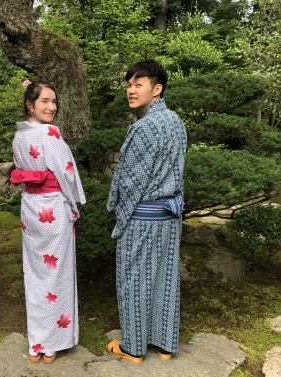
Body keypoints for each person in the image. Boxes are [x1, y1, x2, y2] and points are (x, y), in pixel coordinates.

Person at [106, 60, 187, 363]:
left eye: (138, 84)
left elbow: (129, 182)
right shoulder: (176, 122)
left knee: (133, 280)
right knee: (164, 279)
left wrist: (118, 213)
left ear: (157, 89)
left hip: (142, 217)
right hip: (170, 216)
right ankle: (165, 346)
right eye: (129, 84)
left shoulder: (144, 127)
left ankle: (134, 347)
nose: (131, 90)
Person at [11, 80, 86, 364]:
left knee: (35, 273)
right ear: (30, 104)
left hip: (30, 207)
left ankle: (36, 343)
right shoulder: (50, 133)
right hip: (53, 206)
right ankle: (52, 343)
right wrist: (73, 205)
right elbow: (66, 173)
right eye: (44, 101)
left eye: (53, 102)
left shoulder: (19, 136)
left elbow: (21, 172)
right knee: (57, 274)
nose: (51, 107)